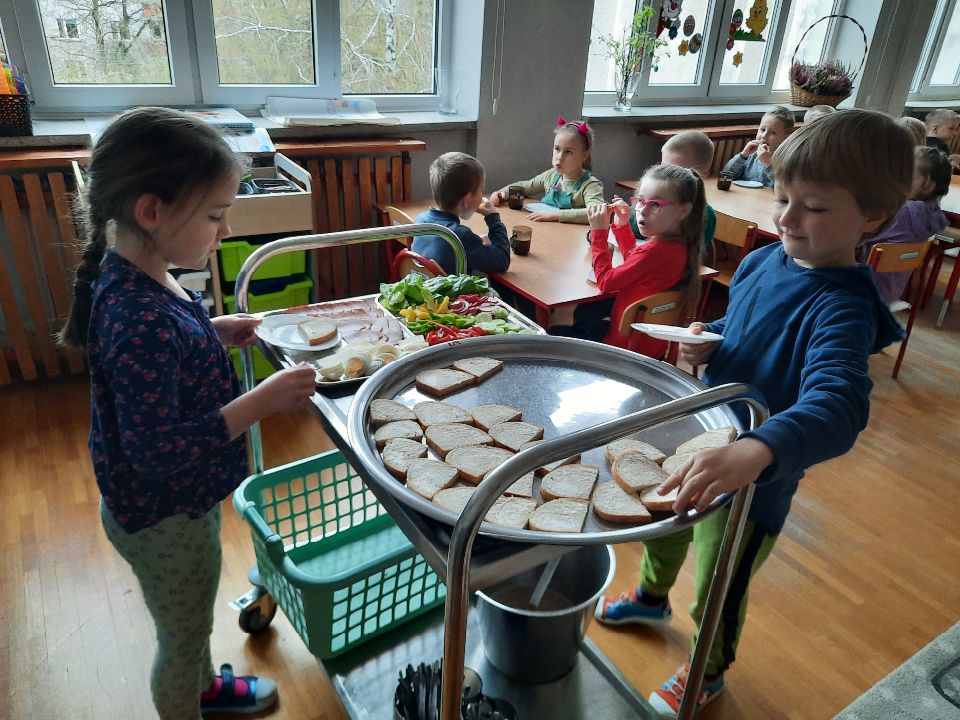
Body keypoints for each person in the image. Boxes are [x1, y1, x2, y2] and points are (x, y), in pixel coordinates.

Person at [595, 109, 910, 717]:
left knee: (719, 583)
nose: (787, 218)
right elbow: (739, 325)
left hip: (752, 481)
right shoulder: (767, 260)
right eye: (783, 198)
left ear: (871, 218)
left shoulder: (842, 308)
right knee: (666, 525)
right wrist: (707, 337)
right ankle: (652, 599)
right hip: (702, 439)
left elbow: (839, 403)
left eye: (813, 208)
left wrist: (759, 448)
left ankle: (708, 670)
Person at [58, 106, 318, 720]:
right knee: (183, 632)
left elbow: (170, 347)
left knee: (191, 617)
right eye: (214, 215)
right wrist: (262, 400)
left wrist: (214, 329)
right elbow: (157, 451)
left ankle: (204, 689)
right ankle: (187, 698)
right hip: (162, 515)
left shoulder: (142, 277)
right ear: (152, 212)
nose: (225, 231)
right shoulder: (137, 316)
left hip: (173, 508)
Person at [549, 164, 704, 357]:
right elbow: (638, 265)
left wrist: (599, 232)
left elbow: (606, 282)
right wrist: (622, 226)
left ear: (684, 211)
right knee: (588, 311)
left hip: (623, 349)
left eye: (655, 204)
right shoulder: (680, 247)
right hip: (649, 346)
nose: (643, 211)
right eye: (640, 201)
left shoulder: (654, 251)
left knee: (553, 332)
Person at [859, 146, 950, 306]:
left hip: (865, 288)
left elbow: (857, 237)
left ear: (927, 187)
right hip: (892, 289)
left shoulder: (902, 212)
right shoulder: (931, 213)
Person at [490, 116, 605, 224]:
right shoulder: (551, 175)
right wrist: (502, 193)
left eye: (568, 152)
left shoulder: (591, 185)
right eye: (557, 149)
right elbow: (524, 186)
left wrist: (556, 215)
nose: (560, 157)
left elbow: (596, 212)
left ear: (585, 154)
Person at [411, 151, 510, 275]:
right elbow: (502, 260)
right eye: (480, 191)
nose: (482, 196)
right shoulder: (460, 237)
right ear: (466, 200)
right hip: (450, 288)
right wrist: (493, 217)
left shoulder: (420, 220)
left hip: (424, 286)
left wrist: (474, 242)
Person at [629, 131, 717, 265]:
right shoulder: (647, 204)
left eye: (676, 171)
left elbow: (689, 258)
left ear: (701, 174)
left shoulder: (705, 214)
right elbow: (631, 230)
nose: (664, 175)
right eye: (663, 167)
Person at [721, 106, 795, 188]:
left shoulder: (787, 160)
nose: (764, 136)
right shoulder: (751, 155)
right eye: (762, 130)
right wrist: (743, 155)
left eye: (773, 132)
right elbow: (726, 175)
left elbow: (786, 187)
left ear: (785, 138)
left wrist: (768, 164)